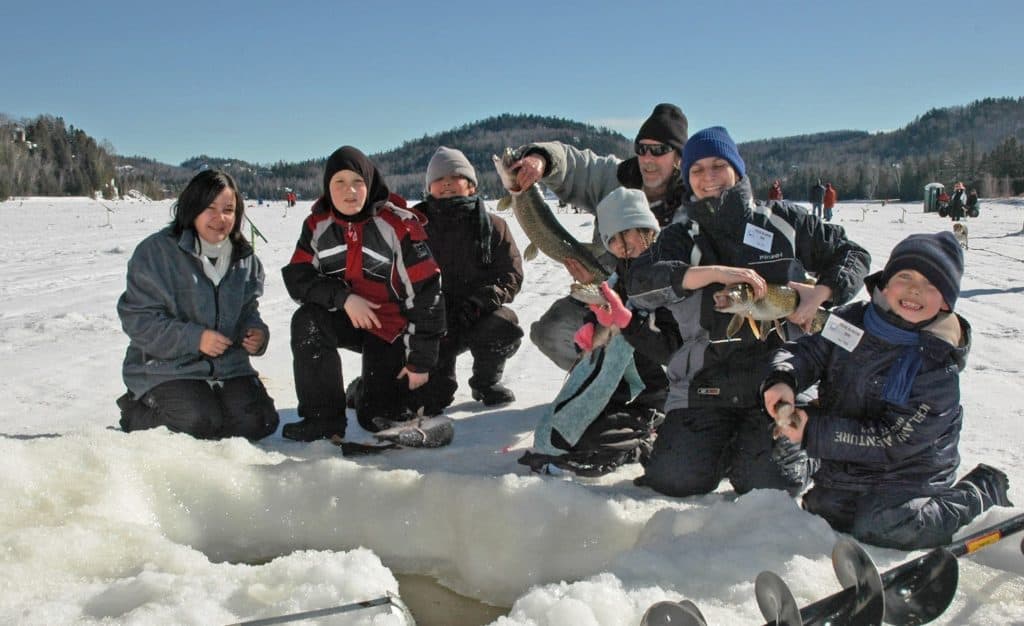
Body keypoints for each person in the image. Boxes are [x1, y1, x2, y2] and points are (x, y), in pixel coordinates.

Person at [625, 126, 871, 497]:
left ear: (737, 170)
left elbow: (852, 255)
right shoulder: (681, 236)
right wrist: (710, 274)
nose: (708, 178)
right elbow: (640, 285)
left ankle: (812, 442)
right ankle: (722, 447)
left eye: (718, 166)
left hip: (782, 378)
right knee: (673, 480)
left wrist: (821, 293)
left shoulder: (784, 220)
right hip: (707, 385)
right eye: (697, 170)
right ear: (687, 178)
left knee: (770, 484)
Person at [763, 232, 1013, 549]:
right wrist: (784, 378)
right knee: (823, 511)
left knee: (885, 526)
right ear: (885, 283)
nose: (914, 290)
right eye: (905, 277)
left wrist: (815, 432)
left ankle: (982, 489)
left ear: (946, 301)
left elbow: (893, 439)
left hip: (908, 470)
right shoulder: (853, 321)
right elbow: (809, 351)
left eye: (930, 285)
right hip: (851, 458)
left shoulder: (936, 366)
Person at [280, 146, 444, 441]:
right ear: (328, 188)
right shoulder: (317, 225)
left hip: (392, 327)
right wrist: (343, 299)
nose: (349, 191)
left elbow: (427, 294)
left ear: (370, 183)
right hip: (346, 317)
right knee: (307, 321)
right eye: (339, 183)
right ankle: (322, 419)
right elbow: (299, 277)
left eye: (357, 182)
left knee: (375, 417)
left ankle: (363, 393)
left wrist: (420, 360)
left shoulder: (399, 225)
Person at [508, 103, 689, 370]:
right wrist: (541, 159)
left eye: (660, 150)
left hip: (665, 313)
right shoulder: (615, 178)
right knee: (550, 332)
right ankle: (600, 386)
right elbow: (574, 163)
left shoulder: (692, 201)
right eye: (642, 149)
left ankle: (657, 390)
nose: (648, 158)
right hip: (603, 294)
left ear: (678, 157)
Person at [520, 188, 678, 475]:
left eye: (627, 233)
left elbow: (672, 350)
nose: (621, 245)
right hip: (620, 390)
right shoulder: (619, 277)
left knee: (590, 443)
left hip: (655, 392)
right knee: (558, 430)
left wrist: (629, 324)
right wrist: (590, 332)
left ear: (647, 229)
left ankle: (645, 434)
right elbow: (607, 323)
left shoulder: (668, 275)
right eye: (612, 239)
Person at [116, 170, 279, 440]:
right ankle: (137, 411)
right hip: (166, 368)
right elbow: (139, 320)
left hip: (228, 368)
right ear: (192, 208)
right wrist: (195, 339)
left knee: (260, 422)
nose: (220, 218)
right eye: (210, 208)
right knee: (198, 422)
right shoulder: (156, 253)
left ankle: (214, 405)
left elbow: (248, 310)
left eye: (228, 209)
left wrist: (257, 333)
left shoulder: (245, 259)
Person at [415, 146, 525, 409]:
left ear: (472, 186)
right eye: (439, 180)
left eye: (455, 178)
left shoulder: (494, 226)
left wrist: (481, 301)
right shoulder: (414, 225)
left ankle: (486, 383)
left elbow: (510, 274)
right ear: (429, 187)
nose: (447, 184)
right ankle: (372, 385)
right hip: (429, 324)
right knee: (432, 400)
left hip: (473, 317)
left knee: (503, 324)